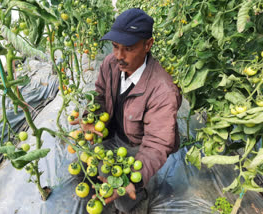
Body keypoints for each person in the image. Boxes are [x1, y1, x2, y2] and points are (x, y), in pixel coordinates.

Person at [73, 8, 182, 214]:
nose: (118, 56)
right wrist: (91, 118)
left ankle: (136, 202)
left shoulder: (162, 90)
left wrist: (136, 178)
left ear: (148, 44)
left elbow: (157, 144)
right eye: (115, 46)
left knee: (126, 197)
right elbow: (100, 95)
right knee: (86, 163)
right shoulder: (110, 64)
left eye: (128, 48)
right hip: (110, 134)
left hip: (136, 147)